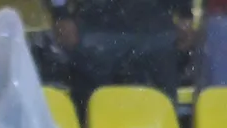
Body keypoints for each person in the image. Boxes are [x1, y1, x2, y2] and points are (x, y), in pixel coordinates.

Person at [51, 0, 193, 119]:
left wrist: (186, 12)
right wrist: (60, 13)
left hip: (156, 30)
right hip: (95, 29)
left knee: (160, 120)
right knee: (97, 117)